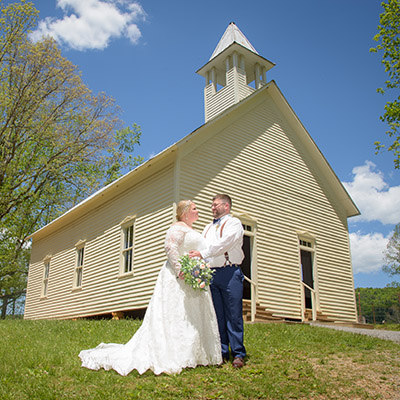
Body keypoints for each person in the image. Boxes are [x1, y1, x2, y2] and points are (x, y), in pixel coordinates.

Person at [79, 200, 222, 375]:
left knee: (192, 314)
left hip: (195, 276)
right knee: (177, 313)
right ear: (185, 213)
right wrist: (180, 270)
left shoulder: (192, 230)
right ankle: (176, 354)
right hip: (180, 277)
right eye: (194, 208)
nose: (198, 211)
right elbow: (170, 247)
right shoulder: (177, 227)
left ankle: (196, 354)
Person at [189, 194, 246, 368]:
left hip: (230, 272)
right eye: (212, 205)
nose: (212, 208)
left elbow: (225, 243)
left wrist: (203, 254)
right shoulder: (207, 228)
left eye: (215, 205)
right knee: (217, 315)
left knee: (233, 314)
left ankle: (238, 353)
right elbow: (201, 246)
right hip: (211, 274)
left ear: (226, 206)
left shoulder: (234, 223)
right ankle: (221, 351)